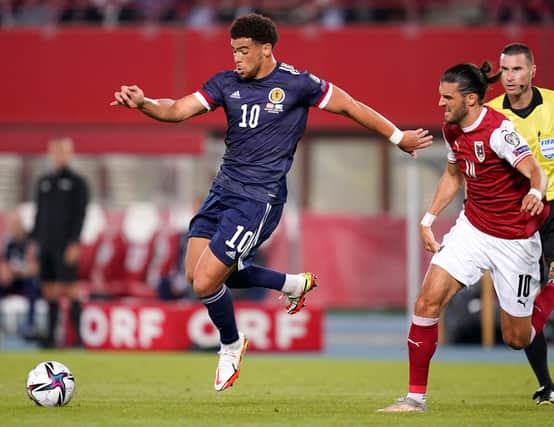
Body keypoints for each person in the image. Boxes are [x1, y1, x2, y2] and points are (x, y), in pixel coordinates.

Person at [110, 13, 433, 392]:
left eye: (244, 51)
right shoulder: (225, 84)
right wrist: (144, 103)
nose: (237, 59)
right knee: (195, 274)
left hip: (258, 199)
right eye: (233, 51)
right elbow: (177, 110)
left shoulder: (298, 84)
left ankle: (231, 344)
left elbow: (350, 105)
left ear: (266, 49)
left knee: (205, 283)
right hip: (222, 191)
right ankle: (291, 284)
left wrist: (398, 137)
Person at [377, 62, 554, 413]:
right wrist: (428, 220)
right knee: (426, 302)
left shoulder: (499, 132)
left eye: (447, 97)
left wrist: (536, 190)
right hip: (472, 230)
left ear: (471, 99)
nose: (440, 104)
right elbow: (453, 175)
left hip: (515, 241)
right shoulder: (452, 129)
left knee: (518, 339)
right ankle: (415, 399)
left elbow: (534, 169)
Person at [486, 42, 554, 406]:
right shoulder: (491, 115)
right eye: (504, 70)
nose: (510, 77)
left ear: (532, 71)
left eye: (517, 69)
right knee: (524, 304)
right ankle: (544, 383)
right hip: (516, 217)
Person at [32, 136, 89, 348]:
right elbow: (39, 214)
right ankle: (50, 338)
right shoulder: (43, 182)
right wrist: (34, 241)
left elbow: (80, 214)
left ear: (70, 154)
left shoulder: (77, 183)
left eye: (64, 151)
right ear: (50, 154)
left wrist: (75, 242)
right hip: (46, 243)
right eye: (56, 152)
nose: (59, 156)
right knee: (48, 289)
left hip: (66, 244)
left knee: (70, 288)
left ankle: (78, 339)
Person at [0, 210, 40, 336]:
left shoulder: (31, 242)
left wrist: (18, 272)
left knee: (32, 285)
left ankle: (30, 323)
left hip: (27, 280)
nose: (14, 228)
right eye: (12, 225)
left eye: (16, 224)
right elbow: (4, 265)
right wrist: (6, 272)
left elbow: (35, 268)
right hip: (13, 280)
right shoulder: (8, 243)